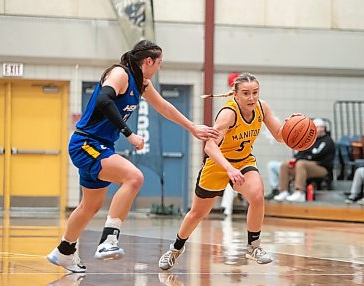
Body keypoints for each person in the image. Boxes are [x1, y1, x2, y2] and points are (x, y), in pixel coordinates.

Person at [47, 40, 219, 273]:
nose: (159, 67)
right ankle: (108, 241)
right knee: (134, 177)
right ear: (148, 61)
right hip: (86, 142)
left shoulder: (141, 83)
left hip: (100, 145)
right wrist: (129, 134)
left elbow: (164, 107)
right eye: (159, 63)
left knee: (90, 206)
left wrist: (192, 127)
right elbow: (103, 100)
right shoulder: (120, 74)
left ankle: (64, 251)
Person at [158, 73, 287, 270]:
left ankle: (253, 246)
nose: (251, 98)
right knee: (197, 214)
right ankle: (176, 249)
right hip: (218, 164)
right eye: (246, 93)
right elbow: (209, 147)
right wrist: (228, 168)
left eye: (255, 93)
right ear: (235, 94)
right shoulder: (229, 113)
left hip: (243, 161)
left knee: (258, 195)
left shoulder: (262, 107)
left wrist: (291, 127)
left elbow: (279, 136)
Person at [273, 118, 336, 202]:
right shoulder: (311, 140)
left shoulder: (328, 141)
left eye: (319, 128)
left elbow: (315, 155)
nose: (317, 130)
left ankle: (300, 192)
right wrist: (295, 158)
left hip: (322, 168)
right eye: (315, 128)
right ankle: (283, 191)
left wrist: (301, 158)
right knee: (285, 165)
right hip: (306, 167)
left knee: (300, 163)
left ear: (323, 128)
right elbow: (301, 153)